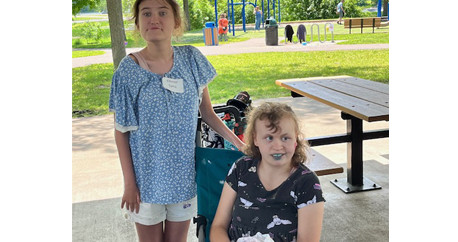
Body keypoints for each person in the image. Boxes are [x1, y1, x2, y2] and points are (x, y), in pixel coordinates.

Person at [108, 0, 245, 241]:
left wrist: (239, 144)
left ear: (176, 22)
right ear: (137, 23)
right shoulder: (128, 70)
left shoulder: (191, 59)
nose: (154, 19)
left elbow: (209, 114)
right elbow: (121, 131)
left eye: (163, 13)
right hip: (145, 181)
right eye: (146, 13)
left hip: (183, 177)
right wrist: (129, 183)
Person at [210, 102, 325, 242]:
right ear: (255, 139)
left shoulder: (306, 183)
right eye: (269, 138)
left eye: (285, 138)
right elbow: (218, 226)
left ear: (295, 139)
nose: (278, 146)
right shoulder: (241, 169)